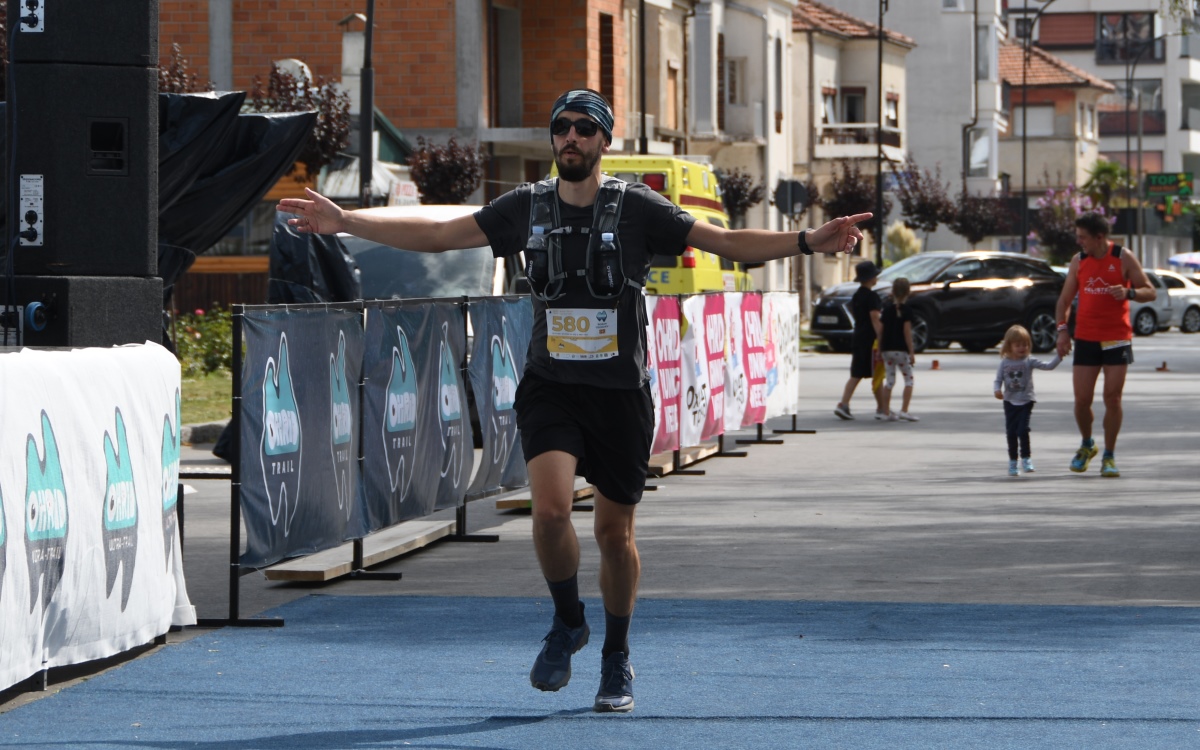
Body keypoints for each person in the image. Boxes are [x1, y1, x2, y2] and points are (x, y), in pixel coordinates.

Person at [276, 88, 869, 713]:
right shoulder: (526, 206)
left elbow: (726, 242)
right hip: (551, 385)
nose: (571, 138)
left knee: (614, 533)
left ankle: (616, 655)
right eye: (562, 127)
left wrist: (809, 240)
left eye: (585, 128)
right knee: (551, 511)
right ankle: (567, 621)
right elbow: (443, 232)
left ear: (604, 140)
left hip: (620, 394)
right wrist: (348, 221)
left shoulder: (638, 207)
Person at [1055, 211, 1155, 478]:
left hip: (1116, 337)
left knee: (1113, 397)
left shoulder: (1123, 257)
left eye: (1083, 237)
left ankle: (1109, 455)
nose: (1079, 242)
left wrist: (1129, 292)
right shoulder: (1079, 261)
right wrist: (1062, 332)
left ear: (1099, 237)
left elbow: (1150, 291)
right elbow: (1064, 301)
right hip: (1086, 337)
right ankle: (1087, 444)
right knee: (1081, 400)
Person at [993, 324, 1062, 476]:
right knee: (1011, 432)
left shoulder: (1029, 360)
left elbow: (1048, 366)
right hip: (1010, 402)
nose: (1022, 348)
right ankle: (1013, 462)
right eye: (1018, 345)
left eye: (1025, 344)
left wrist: (1059, 356)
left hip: (1026, 401)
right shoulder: (1004, 363)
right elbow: (998, 380)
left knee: (1023, 430)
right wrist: (997, 390)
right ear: (1009, 346)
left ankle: (1026, 458)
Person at [834, 260, 885, 420]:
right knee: (876, 374)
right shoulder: (872, 297)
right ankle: (882, 408)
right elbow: (875, 318)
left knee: (857, 373)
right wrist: (881, 338)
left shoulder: (857, 295)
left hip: (858, 336)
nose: (877, 277)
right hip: (870, 340)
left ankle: (845, 403)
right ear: (871, 278)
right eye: (875, 275)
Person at [877, 277, 918, 422]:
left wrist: (879, 349)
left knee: (889, 381)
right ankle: (904, 410)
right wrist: (911, 352)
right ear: (908, 292)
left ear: (893, 292)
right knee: (909, 380)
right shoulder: (907, 311)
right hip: (901, 350)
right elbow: (907, 333)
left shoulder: (887, 310)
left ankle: (885, 411)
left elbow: (880, 331)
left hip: (887, 350)